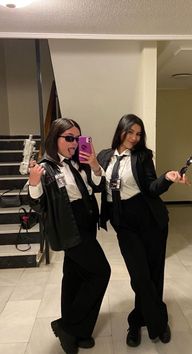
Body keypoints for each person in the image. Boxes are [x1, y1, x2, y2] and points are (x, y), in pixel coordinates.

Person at [97, 114, 188, 347]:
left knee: (154, 274)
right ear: (121, 131)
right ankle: (157, 321)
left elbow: (150, 187)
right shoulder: (104, 157)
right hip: (123, 223)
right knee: (139, 277)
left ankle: (138, 320)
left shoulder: (143, 156)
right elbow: (97, 185)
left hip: (150, 221)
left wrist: (167, 177)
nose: (135, 138)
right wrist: (92, 170)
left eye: (139, 134)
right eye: (131, 132)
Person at [28, 118, 111, 354]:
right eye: (69, 138)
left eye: (77, 138)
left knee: (74, 277)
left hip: (86, 223)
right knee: (101, 272)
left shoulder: (77, 163)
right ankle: (68, 325)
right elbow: (37, 205)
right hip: (69, 227)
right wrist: (34, 182)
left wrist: (94, 164)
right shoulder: (45, 167)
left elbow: (97, 186)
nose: (74, 143)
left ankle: (80, 332)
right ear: (56, 139)